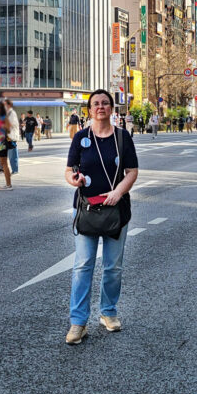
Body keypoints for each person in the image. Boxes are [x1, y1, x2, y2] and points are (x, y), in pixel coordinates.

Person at [64, 89, 139, 344]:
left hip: (116, 209)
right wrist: (75, 179)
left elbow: (132, 171)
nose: (100, 107)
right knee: (83, 264)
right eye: (95, 103)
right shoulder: (81, 138)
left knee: (113, 266)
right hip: (86, 208)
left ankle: (108, 312)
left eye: (105, 103)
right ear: (89, 109)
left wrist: (118, 192)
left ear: (111, 108)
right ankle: (78, 322)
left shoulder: (122, 137)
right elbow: (69, 170)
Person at [6, 98, 20, 174]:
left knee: (13, 154)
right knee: (10, 153)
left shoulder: (12, 113)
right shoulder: (8, 113)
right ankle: (13, 169)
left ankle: (15, 169)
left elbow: (12, 124)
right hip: (8, 136)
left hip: (12, 137)